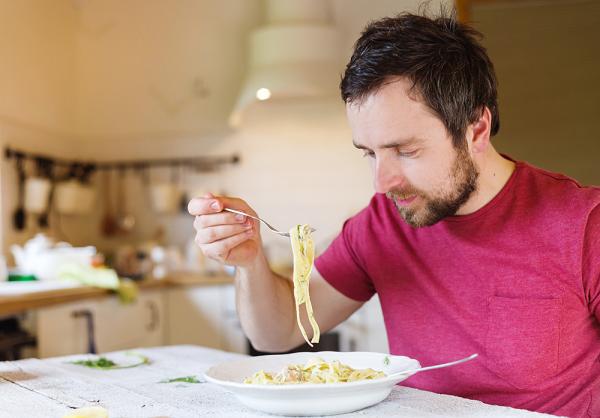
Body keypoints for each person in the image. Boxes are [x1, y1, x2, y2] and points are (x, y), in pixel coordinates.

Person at [187, 9, 600, 417]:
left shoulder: (584, 224)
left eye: (406, 150)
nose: (381, 183)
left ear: (476, 128)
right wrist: (249, 262)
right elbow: (279, 333)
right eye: (369, 153)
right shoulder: (382, 224)